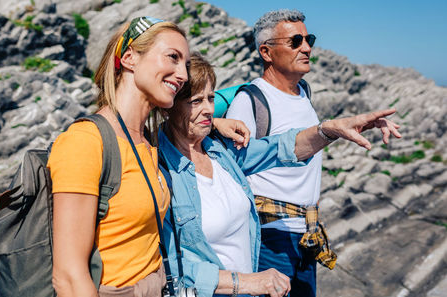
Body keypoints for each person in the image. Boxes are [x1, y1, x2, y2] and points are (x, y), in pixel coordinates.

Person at [160, 53, 400, 297]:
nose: (208, 109)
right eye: (195, 101)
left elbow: (278, 148)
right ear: (168, 105)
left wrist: (330, 129)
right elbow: (167, 265)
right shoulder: (158, 170)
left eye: (211, 99)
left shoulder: (220, 152)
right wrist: (245, 283)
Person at [47, 17, 248, 297]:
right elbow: (68, 277)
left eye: (185, 65)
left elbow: (206, 106)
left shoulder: (146, 141)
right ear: (129, 58)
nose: (183, 75)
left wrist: (214, 124)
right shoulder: (85, 142)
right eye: (172, 58)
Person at [225, 9, 399, 297]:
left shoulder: (303, 92)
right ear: (266, 52)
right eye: (295, 41)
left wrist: (357, 126)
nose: (306, 47)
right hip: (269, 240)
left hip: (307, 236)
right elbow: (234, 167)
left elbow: (308, 142)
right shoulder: (250, 101)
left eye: (309, 39)